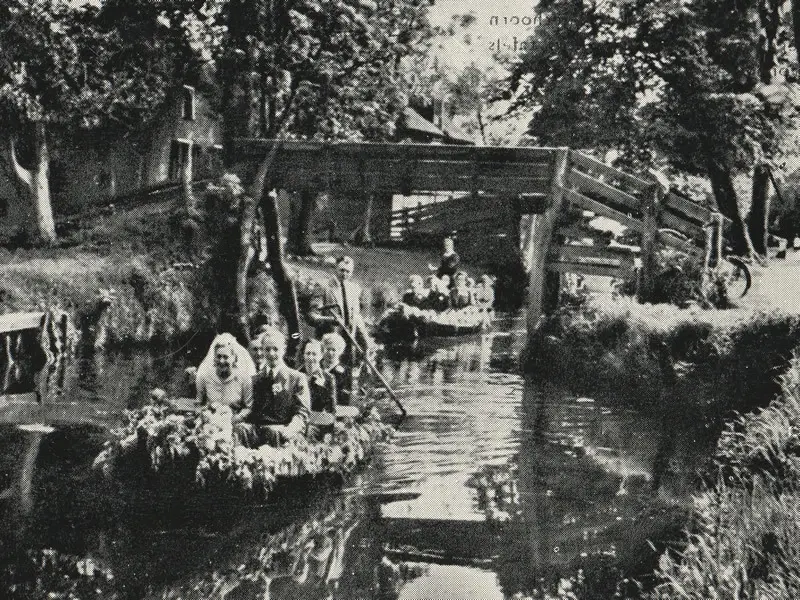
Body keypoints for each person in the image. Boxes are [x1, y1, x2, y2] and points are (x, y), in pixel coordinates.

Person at [234, 327, 310, 447]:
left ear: (284, 350)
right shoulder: (255, 380)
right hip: (258, 431)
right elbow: (249, 409)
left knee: (273, 432)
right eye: (267, 349)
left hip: (283, 431)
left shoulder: (296, 378)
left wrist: (291, 428)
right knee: (241, 429)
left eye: (275, 349)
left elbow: (302, 413)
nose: (271, 354)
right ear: (263, 350)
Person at [307, 255, 372, 362]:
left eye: (348, 271)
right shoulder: (323, 287)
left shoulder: (354, 289)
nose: (345, 274)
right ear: (335, 269)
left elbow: (356, 317)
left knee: (346, 375)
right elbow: (312, 316)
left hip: (349, 344)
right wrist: (330, 320)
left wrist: (366, 343)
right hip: (328, 345)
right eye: (342, 270)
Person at [195, 333, 254, 421]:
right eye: (218, 357)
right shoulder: (205, 377)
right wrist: (203, 414)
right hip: (210, 423)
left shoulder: (244, 379)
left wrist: (236, 418)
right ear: (214, 358)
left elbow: (249, 408)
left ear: (234, 358)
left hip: (235, 422)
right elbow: (198, 404)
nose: (221, 361)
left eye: (226, 357)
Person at [300, 339, 336, 414]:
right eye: (308, 353)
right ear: (304, 355)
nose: (310, 358)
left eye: (314, 354)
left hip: (318, 422)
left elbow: (331, 410)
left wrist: (322, 388)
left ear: (321, 356)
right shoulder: (295, 375)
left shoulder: (328, 378)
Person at [321, 332, 353, 407]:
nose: (330, 353)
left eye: (334, 350)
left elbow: (345, 398)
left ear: (340, 351)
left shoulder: (345, 371)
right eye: (328, 349)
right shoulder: (317, 366)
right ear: (323, 349)